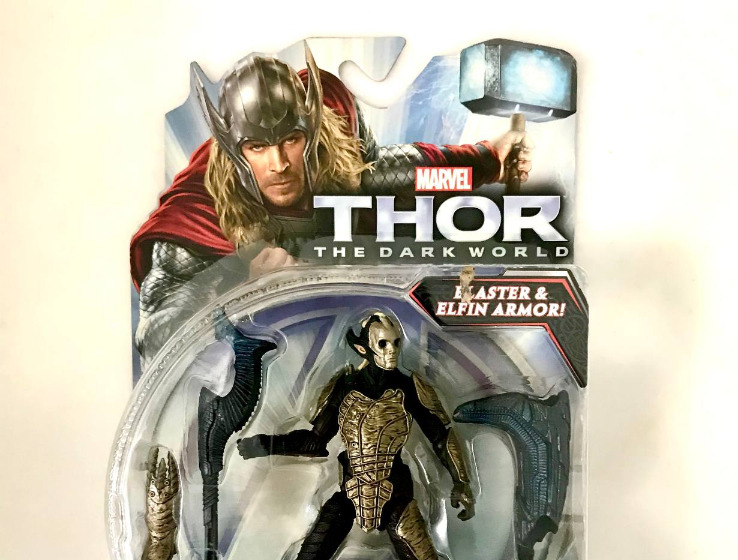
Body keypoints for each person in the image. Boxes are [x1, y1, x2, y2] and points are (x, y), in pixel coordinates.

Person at [130, 46, 532, 361]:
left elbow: (397, 171)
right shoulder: (199, 211)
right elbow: (158, 335)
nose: (279, 164)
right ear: (236, 150)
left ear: (309, 130)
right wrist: (241, 291)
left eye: (290, 139)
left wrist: (490, 159)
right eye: (258, 147)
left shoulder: (334, 131)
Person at [237, 311, 475, 560]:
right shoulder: (345, 385)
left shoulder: (409, 386)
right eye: (383, 344)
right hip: (351, 490)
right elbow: (315, 441)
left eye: (396, 343)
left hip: (395, 493)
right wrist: (265, 444)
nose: (392, 351)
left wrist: (461, 482)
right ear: (364, 348)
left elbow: (441, 435)